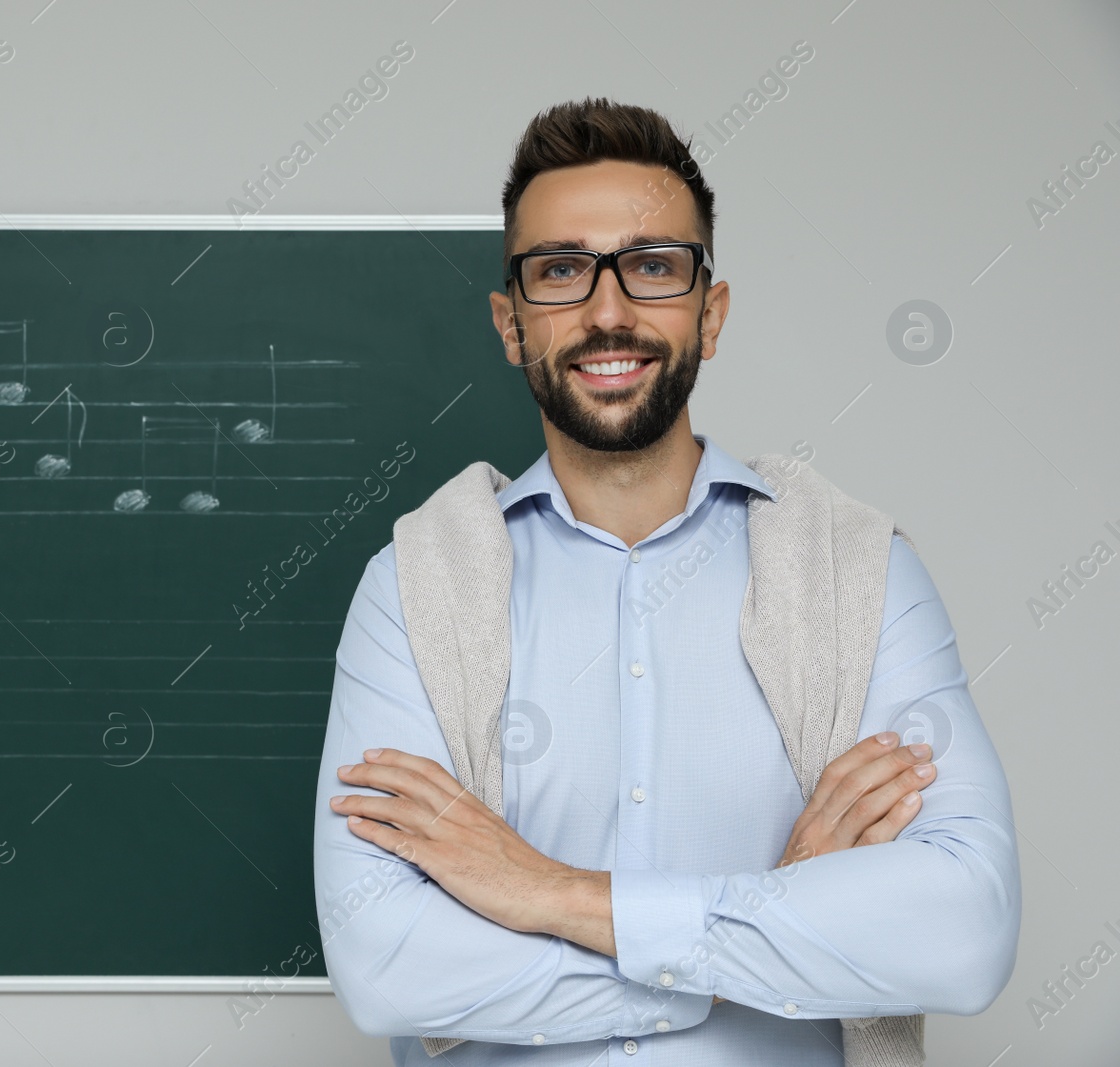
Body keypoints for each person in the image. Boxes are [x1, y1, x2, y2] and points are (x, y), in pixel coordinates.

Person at [312, 98, 1019, 1066]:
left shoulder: (858, 569)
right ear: (510, 323)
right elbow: (387, 962)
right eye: (559, 270)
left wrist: (549, 891)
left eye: (651, 266)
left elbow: (964, 930)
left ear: (709, 312)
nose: (607, 311)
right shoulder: (413, 588)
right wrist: (764, 922)